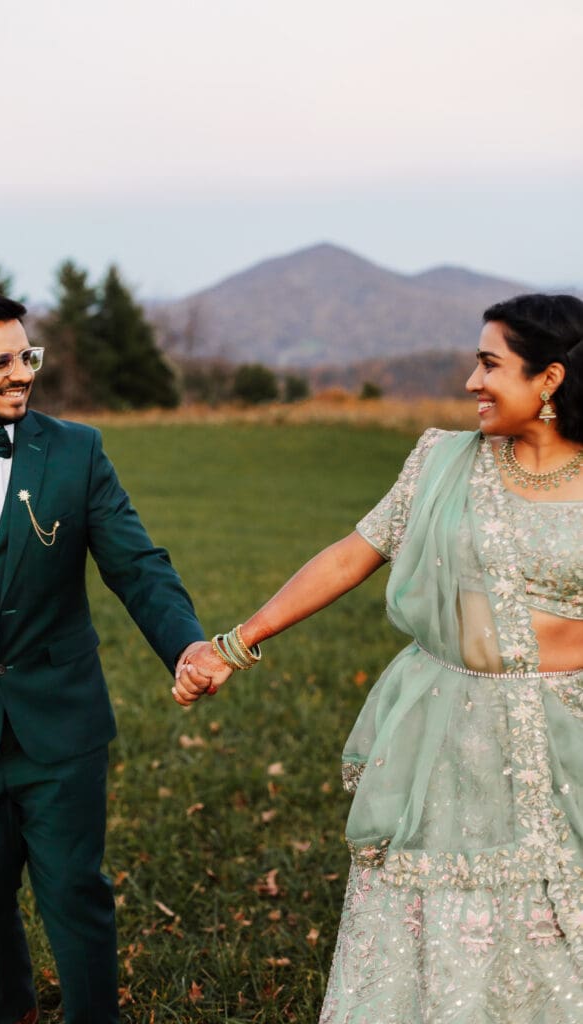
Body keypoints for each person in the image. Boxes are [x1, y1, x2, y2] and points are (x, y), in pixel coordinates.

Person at [174, 293, 583, 1022]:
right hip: (446, 737)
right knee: (437, 909)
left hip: (567, 742)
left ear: (548, 379)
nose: (470, 382)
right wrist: (236, 644)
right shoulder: (441, 461)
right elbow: (350, 556)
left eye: (489, 364)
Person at [0, 291, 214, 1024]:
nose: (22, 373)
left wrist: (185, 643)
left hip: (61, 718)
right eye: (0, 361)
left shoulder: (76, 450)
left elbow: (137, 565)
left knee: (74, 890)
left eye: (27, 355)